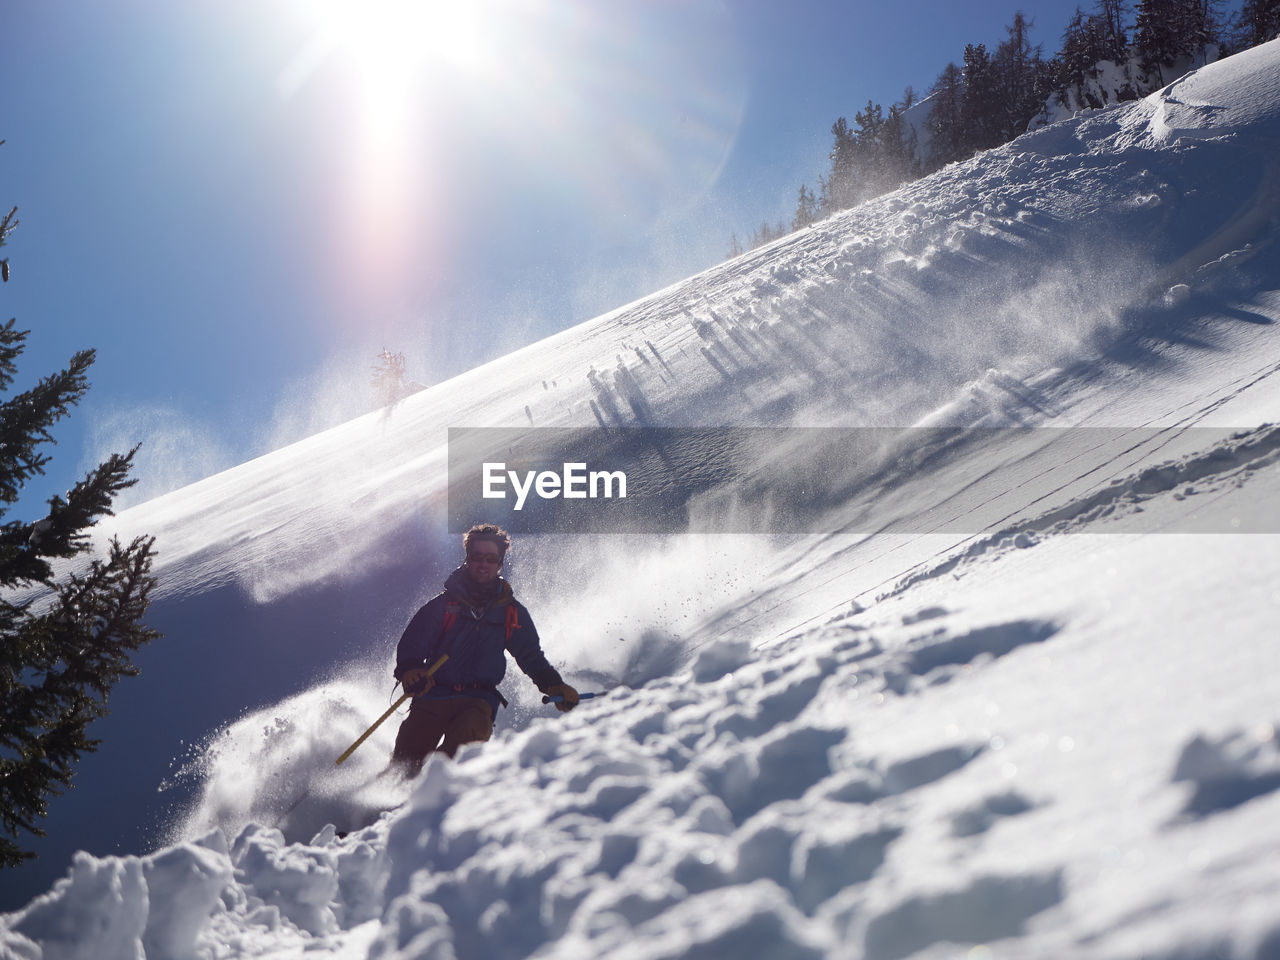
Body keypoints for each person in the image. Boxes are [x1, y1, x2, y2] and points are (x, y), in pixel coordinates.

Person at [391, 523, 578, 774]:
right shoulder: (444, 605)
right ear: (467, 559)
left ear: (500, 563)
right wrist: (410, 669)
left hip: (478, 700)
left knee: (465, 742)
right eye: (477, 557)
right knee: (407, 758)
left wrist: (553, 684)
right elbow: (414, 641)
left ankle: (440, 794)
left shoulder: (511, 612)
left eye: (491, 558)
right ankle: (389, 803)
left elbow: (530, 655)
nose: (483, 564)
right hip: (434, 694)